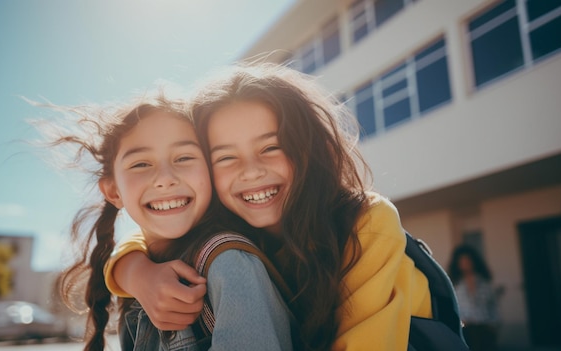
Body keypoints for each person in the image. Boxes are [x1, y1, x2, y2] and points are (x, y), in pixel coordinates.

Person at [104, 63, 434, 350]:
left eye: (271, 147)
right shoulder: (233, 228)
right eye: (226, 157)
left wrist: (131, 272)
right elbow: (149, 237)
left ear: (307, 149)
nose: (250, 170)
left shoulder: (365, 221)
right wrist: (136, 272)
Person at [40, 93, 293, 351]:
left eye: (183, 158)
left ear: (210, 170)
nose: (165, 178)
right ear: (113, 192)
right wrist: (134, 273)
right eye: (140, 164)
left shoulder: (229, 264)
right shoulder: (144, 270)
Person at [449, 245, 500, 351]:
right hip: (465, 330)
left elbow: (493, 305)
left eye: (468, 260)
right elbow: (452, 308)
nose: (465, 263)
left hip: (484, 328)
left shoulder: (484, 282)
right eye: (462, 261)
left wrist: (494, 324)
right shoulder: (455, 285)